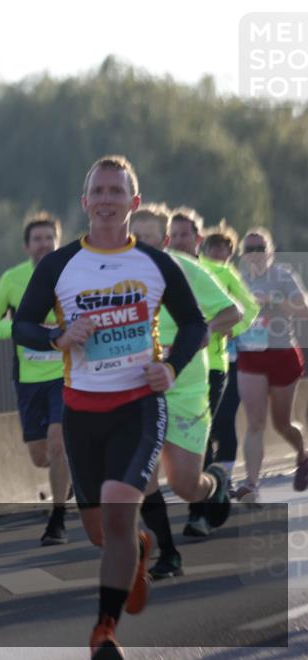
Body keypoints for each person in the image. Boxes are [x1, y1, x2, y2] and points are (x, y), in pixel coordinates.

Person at [14, 156, 206, 660]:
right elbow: (22, 326)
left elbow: (194, 324)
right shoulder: (59, 265)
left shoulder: (156, 264)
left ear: (133, 203)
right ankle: (140, 548)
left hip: (139, 407)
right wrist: (59, 335)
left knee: (121, 508)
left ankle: (104, 631)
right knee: (103, 533)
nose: (105, 199)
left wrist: (171, 367)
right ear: (84, 202)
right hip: (81, 413)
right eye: (97, 191)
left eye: (115, 191)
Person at [129, 205, 241, 580]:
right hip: (137, 386)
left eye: (147, 239)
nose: (138, 245)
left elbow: (234, 312)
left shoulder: (185, 270)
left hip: (185, 385)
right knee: (143, 474)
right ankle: (169, 553)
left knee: (185, 484)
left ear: (163, 242)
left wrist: (204, 327)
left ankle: (216, 484)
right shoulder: (113, 274)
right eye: (134, 237)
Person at [0, 211, 72, 544]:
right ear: (27, 246)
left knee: (57, 441)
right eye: (37, 239)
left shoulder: (72, 274)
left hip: (65, 374)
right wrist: (23, 331)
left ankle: (58, 518)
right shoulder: (12, 279)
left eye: (50, 238)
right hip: (28, 377)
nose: (44, 244)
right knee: (40, 455)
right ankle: (67, 474)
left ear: (58, 242)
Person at [183, 219, 259, 535]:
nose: (176, 241)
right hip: (166, 371)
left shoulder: (218, 273)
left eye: (183, 236)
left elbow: (248, 310)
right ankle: (212, 485)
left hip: (209, 366)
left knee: (201, 434)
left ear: (195, 239)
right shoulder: (157, 272)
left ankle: (199, 512)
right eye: (171, 236)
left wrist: (223, 328)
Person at [234, 228, 308, 502]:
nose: (254, 253)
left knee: (282, 424)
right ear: (243, 254)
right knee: (255, 422)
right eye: (249, 248)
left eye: (259, 247)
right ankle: (251, 485)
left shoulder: (282, 275)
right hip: (250, 354)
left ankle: (302, 456)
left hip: (281, 354)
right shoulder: (237, 279)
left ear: (270, 251)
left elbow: (304, 308)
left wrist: (273, 301)